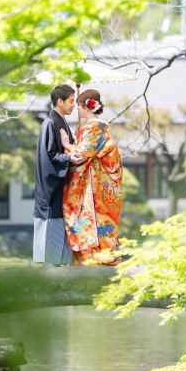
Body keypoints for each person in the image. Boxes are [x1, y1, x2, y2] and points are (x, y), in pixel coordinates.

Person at [61, 89, 124, 266]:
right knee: (99, 219)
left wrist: (67, 145)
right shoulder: (96, 129)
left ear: (87, 107)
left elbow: (82, 155)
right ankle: (99, 254)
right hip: (103, 185)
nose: (77, 110)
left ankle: (94, 255)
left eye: (79, 106)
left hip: (94, 187)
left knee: (88, 217)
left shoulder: (94, 129)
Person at [33, 84, 86, 266]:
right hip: (52, 186)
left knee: (61, 225)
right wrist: (69, 157)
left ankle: (57, 266)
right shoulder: (50, 124)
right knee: (51, 223)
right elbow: (50, 155)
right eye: (71, 101)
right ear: (59, 101)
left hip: (61, 184)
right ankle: (49, 266)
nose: (73, 105)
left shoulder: (61, 122)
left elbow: (63, 149)